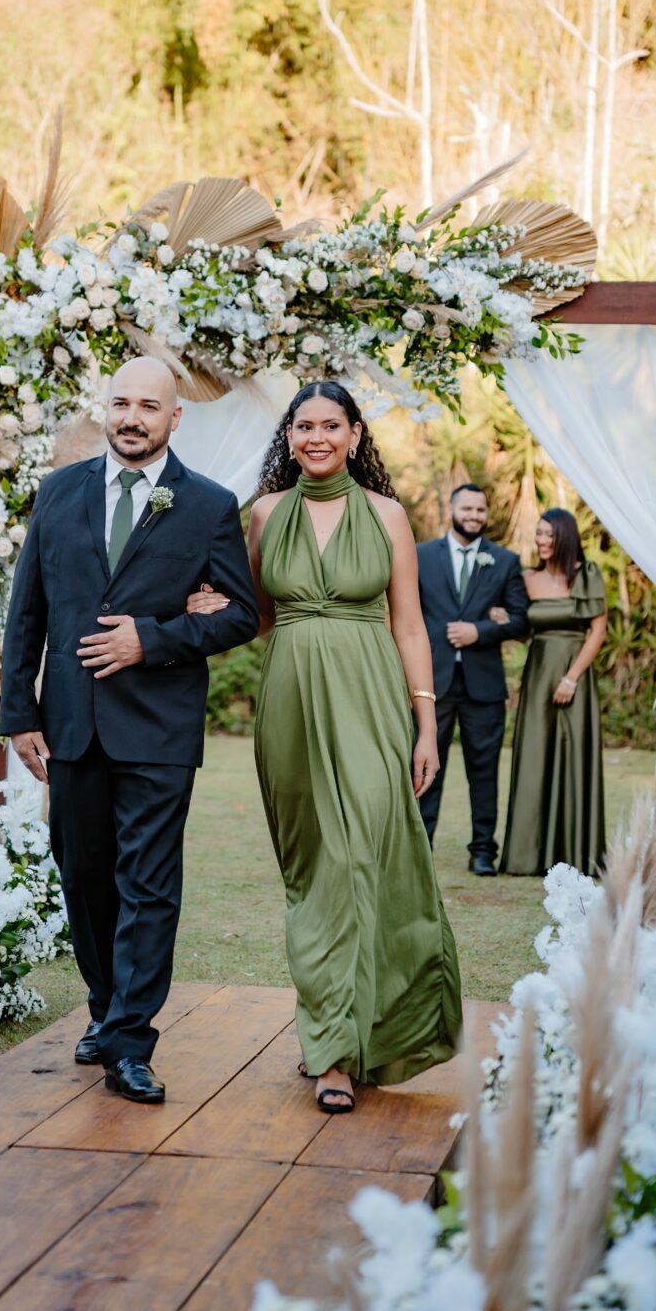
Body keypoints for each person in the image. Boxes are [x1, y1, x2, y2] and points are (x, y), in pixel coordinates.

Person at [194, 382, 461, 1113]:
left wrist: (426, 725)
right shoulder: (265, 513)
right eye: (302, 425)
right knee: (315, 869)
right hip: (290, 702)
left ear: (354, 434)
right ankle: (330, 1036)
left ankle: (347, 1047)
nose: (315, 437)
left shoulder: (386, 515)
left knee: (362, 858)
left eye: (329, 425)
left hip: (371, 699)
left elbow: (410, 625)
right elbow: (254, 615)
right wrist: (201, 608)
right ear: (289, 436)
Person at [0, 357, 258, 1105]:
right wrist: (19, 712)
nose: (132, 418)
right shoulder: (58, 492)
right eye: (121, 404)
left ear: (175, 417)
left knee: (148, 885)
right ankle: (105, 1008)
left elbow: (240, 615)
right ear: (104, 409)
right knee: (82, 877)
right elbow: (27, 610)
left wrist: (153, 637)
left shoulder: (208, 505)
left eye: (148, 406)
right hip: (71, 723)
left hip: (159, 728)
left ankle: (130, 1041)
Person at [416, 484, 529, 877]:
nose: (474, 515)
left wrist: (479, 631)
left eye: (480, 510)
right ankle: (420, 846)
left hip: (484, 685)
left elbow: (521, 620)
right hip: (433, 682)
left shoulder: (505, 561)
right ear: (451, 509)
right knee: (426, 766)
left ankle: (482, 852)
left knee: (484, 772)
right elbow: (405, 615)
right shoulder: (420, 556)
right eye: (467, 508)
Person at [499, 509, 606, 877]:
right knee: (534, 757)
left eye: (549, 534)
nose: (541, 541)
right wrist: (505, 621)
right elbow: (525, 631)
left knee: (574, 755)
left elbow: (598, 631)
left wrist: (572, 678)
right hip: (539, 676)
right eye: (539, 534)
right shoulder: (527, 579)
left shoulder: (587, 574)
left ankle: (576, 852)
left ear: (565, 536)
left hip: (576, 677)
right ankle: (528, 855)